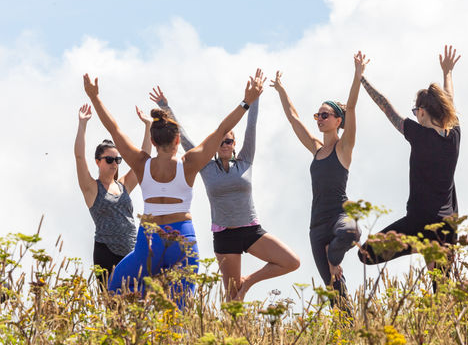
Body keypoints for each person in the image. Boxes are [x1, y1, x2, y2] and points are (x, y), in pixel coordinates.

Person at [82, 70, 265, 304]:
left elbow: (114, 130)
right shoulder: (189, 163)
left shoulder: (141, 163)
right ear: (177, 140)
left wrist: (95, 97)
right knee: (178, 310)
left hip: (148, 241)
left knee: (116, 289)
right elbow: (221, 130)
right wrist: (246, 102)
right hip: (182, 238)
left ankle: (138, 320)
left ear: (154, 140)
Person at [149, 84, 299, 301]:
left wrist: (253, 99)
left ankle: (248, 282)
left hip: (251, 230)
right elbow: (185, 138)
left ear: (234, 143)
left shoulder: (245, 160)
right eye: (220, 142)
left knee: (291, 261)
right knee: (232, 296)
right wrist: (165, 106)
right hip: (224, 235)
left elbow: (251, 127)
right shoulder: (206, 166)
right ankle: (231, 331)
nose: (224, 145)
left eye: (228, 141)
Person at [270, 52, 367, 307]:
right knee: (335, 292)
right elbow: (293, 119)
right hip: (317, 227)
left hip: (339, 215)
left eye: (325, 115)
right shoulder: (316, 149)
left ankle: (333, 257)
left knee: (352, 231)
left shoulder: (344, 148)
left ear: (338, 120)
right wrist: (281, 89)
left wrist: (357, 76)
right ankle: (348, 332)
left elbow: (353, 107)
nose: (320, 119)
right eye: (318, 115)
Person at [357, 45, 461, 283]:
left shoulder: (418, 134)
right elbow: (450, 99)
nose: (414, 115)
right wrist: (448, 72)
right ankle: (428, 248)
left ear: (423, 112)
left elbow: (385, 105)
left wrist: (361, 78)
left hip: (419, 221)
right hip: (447, 226)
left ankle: (423, 247)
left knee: (366, 253)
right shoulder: (454, 134)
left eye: (415, 111)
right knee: (443, 291)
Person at [74, 103, 152, 284]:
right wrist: (82, 125)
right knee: (112, 306)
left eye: (117, 159)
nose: (114, 163)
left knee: (136, 305)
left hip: (132, 250)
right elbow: (79, 157)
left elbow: (143, 161)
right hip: (106, 253)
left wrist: (148, 127)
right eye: (109, 159)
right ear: (98, 161)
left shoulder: (124, 185)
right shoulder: (91, 188)